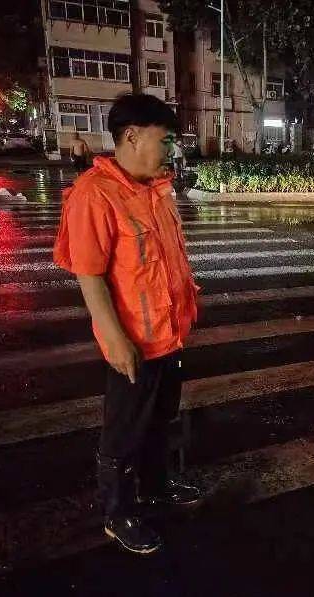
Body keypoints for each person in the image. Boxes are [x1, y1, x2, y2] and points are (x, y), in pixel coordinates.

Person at [53, 94, 201, 554]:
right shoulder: (94, 194)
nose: (170, 151)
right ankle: (117, 513)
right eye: (164, 140)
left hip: (168, 334)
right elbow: (89, 273)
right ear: (132, 136)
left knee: (161, 420)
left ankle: (156, 487)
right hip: (134, 341)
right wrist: (115, 340)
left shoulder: (155, 188)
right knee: (124, 432)